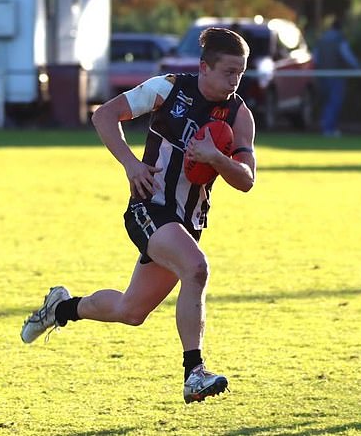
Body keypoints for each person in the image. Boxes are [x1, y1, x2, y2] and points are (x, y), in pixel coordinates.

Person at [20, 27, 256, 404]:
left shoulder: (239, 114)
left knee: (131, 311)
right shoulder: (169, 89)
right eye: (229, 71)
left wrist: (217, 158)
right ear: (204, 67)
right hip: (148, 206)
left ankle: (60, 307)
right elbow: (105, 115)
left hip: (187, 222)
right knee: (196, 268)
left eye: (241, 72)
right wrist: (131, 164)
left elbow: (246, 181)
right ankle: (193, 373)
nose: (235, 80)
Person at [313, 17, 361, 137]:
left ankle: (326, 126)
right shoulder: (339, 39)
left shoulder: (321, 39)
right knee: (334, 102)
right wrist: (359, 68)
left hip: (322, 75)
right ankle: (328, 129)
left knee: (326, 102)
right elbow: (347, 56)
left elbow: (315, 58)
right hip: (335, 76)